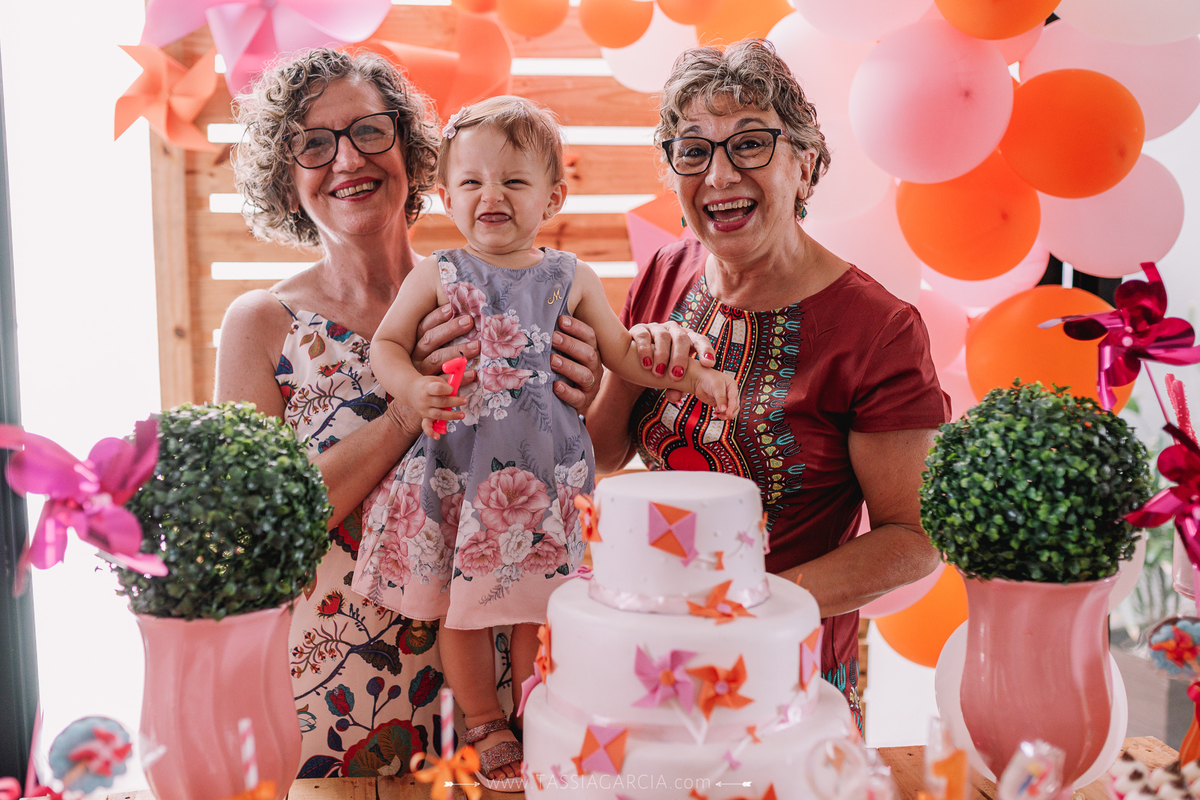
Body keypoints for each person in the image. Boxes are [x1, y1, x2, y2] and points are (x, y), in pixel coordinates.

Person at [213, 50, 604, 779]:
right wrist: (403, 411)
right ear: (283, 174)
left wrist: (587, 395)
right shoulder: (263, 324)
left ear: (411, 148)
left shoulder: (500, 290)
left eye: (369, 130)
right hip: (341, 709)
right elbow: (254, 535)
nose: (346, 160)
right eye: (313, 143)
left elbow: (569, 477)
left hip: (501, 713)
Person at [349, 95, 738, 790]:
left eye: (514, 181)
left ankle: (538, 710)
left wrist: (694, 373)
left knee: (544, 603)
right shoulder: (437, 274)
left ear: (552, 195)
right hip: (463, 473)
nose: (490, 195)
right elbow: (388, 345)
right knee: (464, 610)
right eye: (471, 182)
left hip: (547, 477)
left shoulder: (571, 277)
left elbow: (623, 355)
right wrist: (409, 387)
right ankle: (482, 720)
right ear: (444, 195)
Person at [586, 40, 950, 733]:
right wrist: (635, 370)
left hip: (793, 672)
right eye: (692, 151)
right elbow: (601, 453)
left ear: (805, 166)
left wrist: (753, 606)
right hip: (659, 657)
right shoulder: (664, 271)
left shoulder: (877, 330)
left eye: (751, 144)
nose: (719, 174)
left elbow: (912, 537)